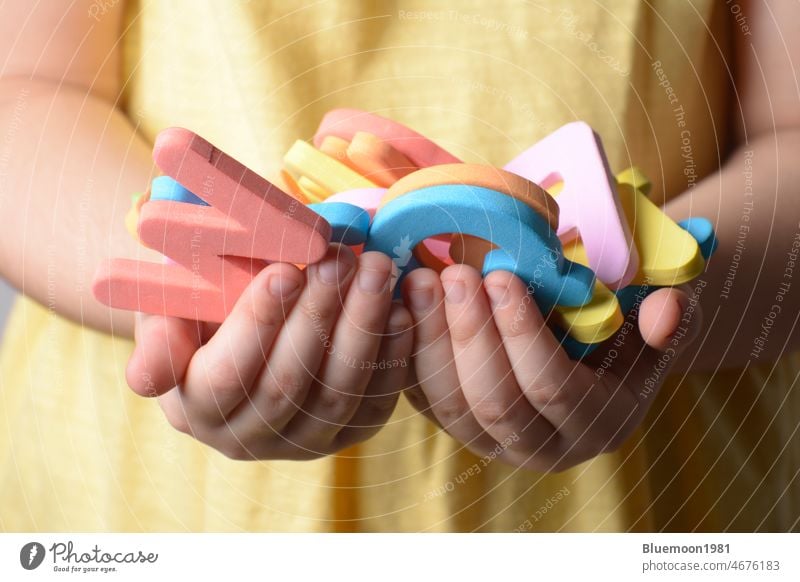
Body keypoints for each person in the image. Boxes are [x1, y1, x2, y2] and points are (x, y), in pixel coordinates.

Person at [0, 0, 797, 531]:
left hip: (663, 494)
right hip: (155, 504)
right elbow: (24, 95)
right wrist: (190, 303)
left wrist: (675, 304)